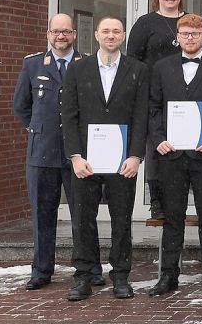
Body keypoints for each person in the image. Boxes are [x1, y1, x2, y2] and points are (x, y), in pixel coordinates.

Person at [61, 16, 150, 301]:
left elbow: (141, 116)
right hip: (86, 161)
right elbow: (69, 115)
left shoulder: (138, 70)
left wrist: (136, 155)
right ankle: (84, 276)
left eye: (116, 31)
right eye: (106, 31)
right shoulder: (78, 70)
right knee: (84, 220)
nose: (111, 36)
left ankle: (121, 276)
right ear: (96, 35)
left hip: (123, 161)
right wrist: (75, 156)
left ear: (123, 36)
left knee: (121, 221)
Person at [13, 14, 104, 290]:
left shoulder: (87, 63)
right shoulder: (32, 65)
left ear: (74, 34)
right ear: (48, 34)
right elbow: (21, 106)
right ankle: (41, 270)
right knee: (43, 214)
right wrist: (39, 128)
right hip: (42, 152)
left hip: (78, 153)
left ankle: (91, 268)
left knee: (83, 214)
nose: (60, 36)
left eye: (66, 32)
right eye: (56, 31)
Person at [147, 14, 202, 296]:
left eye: (195, 33)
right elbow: (153, 107)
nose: (190, 38)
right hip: (171, 154)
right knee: (173, 217)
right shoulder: (161, 67)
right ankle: (168, 276)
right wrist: (158, 139)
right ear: (178, 37)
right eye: (185, 33)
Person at [128, 0, 186, 218]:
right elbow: (132, 59)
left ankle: (178, 197)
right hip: (153, 95)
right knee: (155, 148)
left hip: (184, 95)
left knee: (181, 148)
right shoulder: (145, 23)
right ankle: (157, 202)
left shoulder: (189, 22)